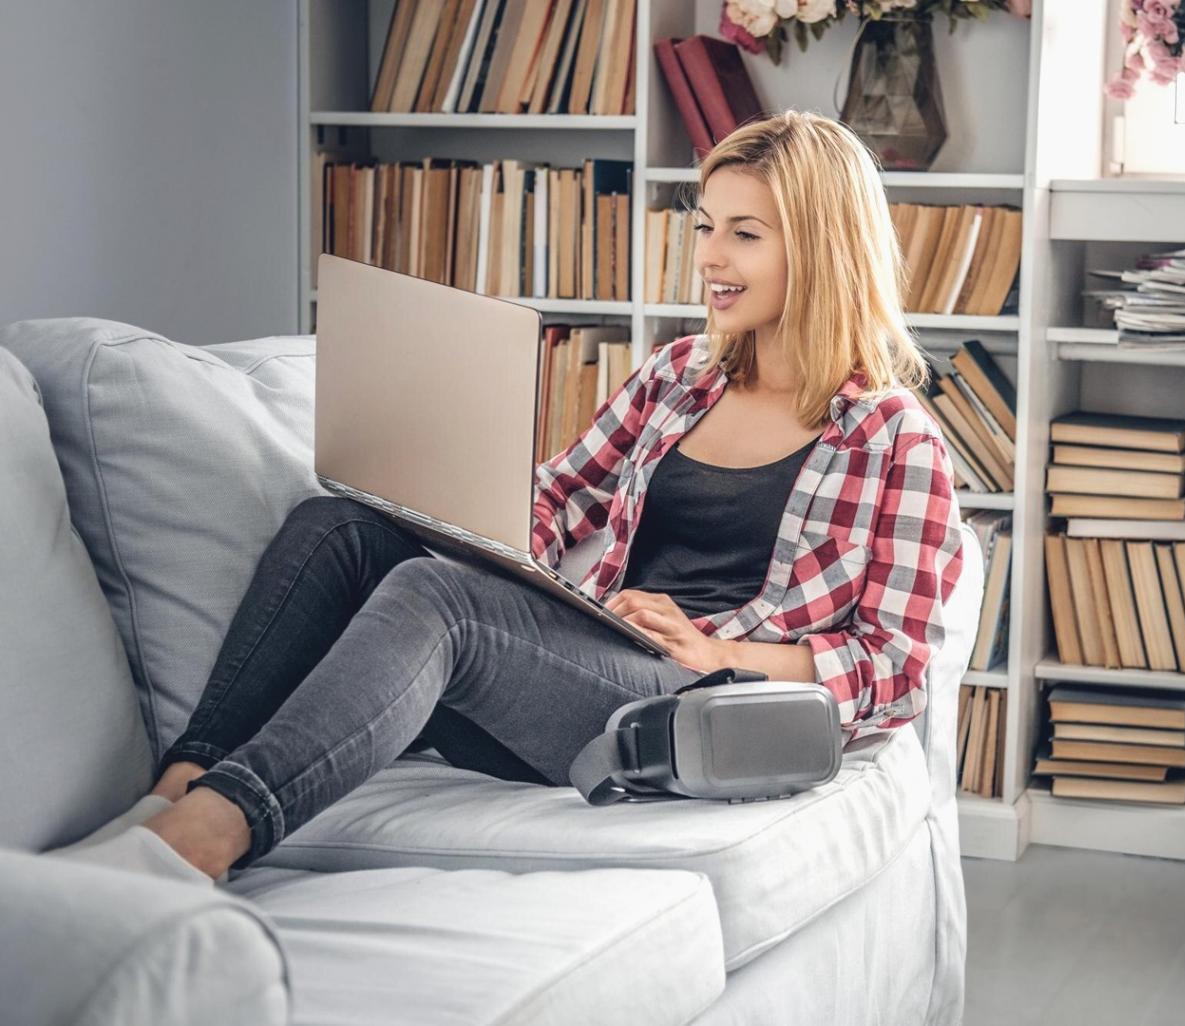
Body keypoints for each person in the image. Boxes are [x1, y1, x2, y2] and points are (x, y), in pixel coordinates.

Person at [54, 110, 965, 884]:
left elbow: (894, 670)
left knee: (437, 599)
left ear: (821, 248)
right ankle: (179, 785)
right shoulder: (679, 375)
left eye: (744, 234)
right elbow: (559, 495)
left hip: (689, 704)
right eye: (704, 226)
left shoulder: (895, 439)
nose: (709, 258)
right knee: (339, 527)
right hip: (589, 651)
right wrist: (475, 528)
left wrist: (717, 649)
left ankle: (209, 836)